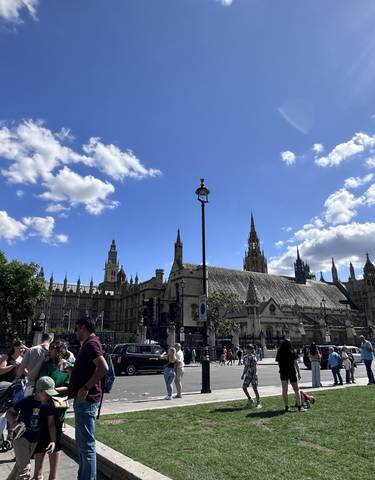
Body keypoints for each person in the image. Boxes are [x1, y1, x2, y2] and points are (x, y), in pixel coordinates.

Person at [69, 317, 108, 480]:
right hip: (83, 400)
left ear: (83, 328)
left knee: (87, 446)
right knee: (83, 445)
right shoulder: (88, 344)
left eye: (76, 328)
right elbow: (90, 368)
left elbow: (103, 367)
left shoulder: (91, 343)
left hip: (87, 400)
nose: (75, 332)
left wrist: (85, 388)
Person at [31, 340, 70, 480]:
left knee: (56, 443)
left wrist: (53, 390)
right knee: (41, 444)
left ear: (59, 351)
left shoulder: (67, 367)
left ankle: (53, 477)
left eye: (53, 348)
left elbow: (69, 387)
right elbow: (40, 384)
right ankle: (38, 475)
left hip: (58, 409)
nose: (50, 350)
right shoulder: (47, 366)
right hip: (44, 409)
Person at [6, 376, 57, 480]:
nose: (49, 396)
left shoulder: (49, 405)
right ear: (39, 391)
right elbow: (9, 413)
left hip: (35, 440)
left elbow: (51, 424)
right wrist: (14, 423)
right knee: (25, 471)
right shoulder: (27, 401)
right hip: (21, 436)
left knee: (19, 467)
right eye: (47, 394)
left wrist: (53, 441)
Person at [276, 339, 305, 412]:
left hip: (283, 372)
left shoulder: (279, 353)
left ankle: (286, 406)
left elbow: (278, 363)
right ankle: (299, 406)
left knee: (284, 390)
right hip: (291, 372)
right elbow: (296, 364)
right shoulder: (292, 352)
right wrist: (299, 373)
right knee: (296, 390)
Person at [241, 344, 261, 408]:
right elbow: (246, 366)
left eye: (248, 349)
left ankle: (258, 402)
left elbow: (255, 368)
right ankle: (250, 399)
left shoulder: (253, 357)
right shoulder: (245, 357)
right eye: (246, 348)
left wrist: (254, 376)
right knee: (244, 387)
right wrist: (243, 374)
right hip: (248, 374)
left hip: (253, 375)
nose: (246, 350)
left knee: (255, 389)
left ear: (251, 350)